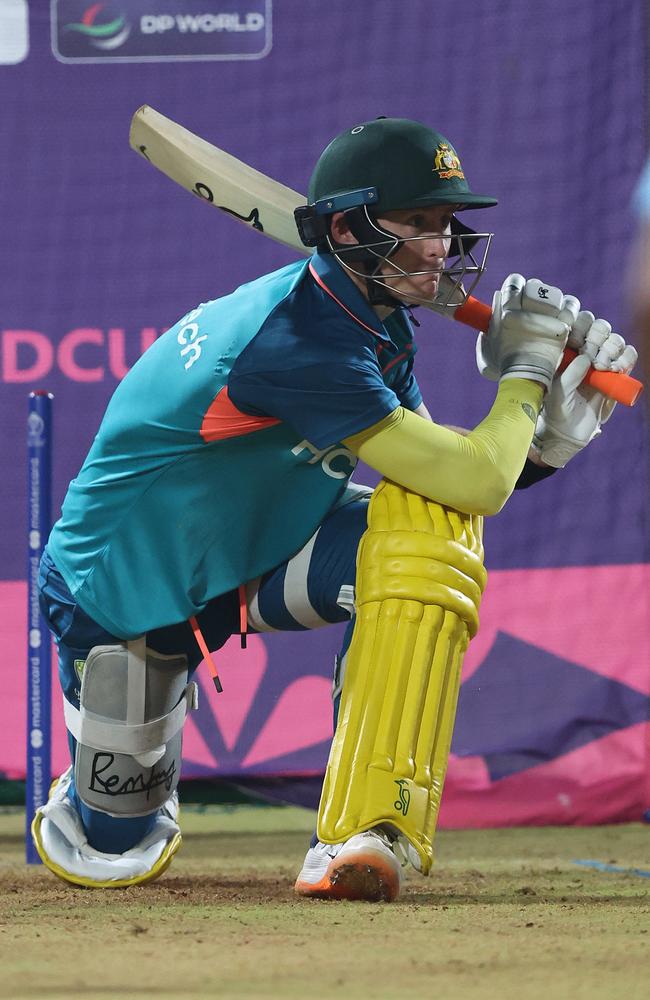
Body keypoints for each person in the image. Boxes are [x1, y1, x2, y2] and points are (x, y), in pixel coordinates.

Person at [33, 117, 636, 900]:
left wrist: (546, 441)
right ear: (349, 227)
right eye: (416, 221)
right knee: (116, 843)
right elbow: (477, 478)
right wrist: (525, 373)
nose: (439, 243)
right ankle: (95, 791)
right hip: (125, 594)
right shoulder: (296, 342)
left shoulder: (373, 319)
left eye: (446, 223)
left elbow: (446, 479)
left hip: (261, 550)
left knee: (423, 534)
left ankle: (362, 828)